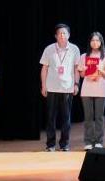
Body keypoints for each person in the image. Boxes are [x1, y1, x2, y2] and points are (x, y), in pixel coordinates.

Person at [40, 24, 81, 152]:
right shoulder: (49, 49)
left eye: (64, 33)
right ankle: (50, 144)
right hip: (51, 87)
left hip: (67, 88)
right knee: (50, 117)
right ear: (56, 36)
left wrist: (76, 84)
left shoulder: (74, 49)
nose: (62, 35)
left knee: (66, 118)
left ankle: (64, 144)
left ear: (69, 35)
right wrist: (43, 85)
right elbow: (44, 68)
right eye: (60, 33)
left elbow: (76, 68)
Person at [78, 32, 105, 150]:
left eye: (97, 40)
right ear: (90, 42)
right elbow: (81, 75)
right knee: (88, 117)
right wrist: (84, 70)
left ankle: (98, 141)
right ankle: (88, 141)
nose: (95, 42)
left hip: (101, 89)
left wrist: (101, 71)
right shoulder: (84, 56)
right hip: (87, 89)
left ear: (101, 42)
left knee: (99, 117)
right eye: (92, 40)